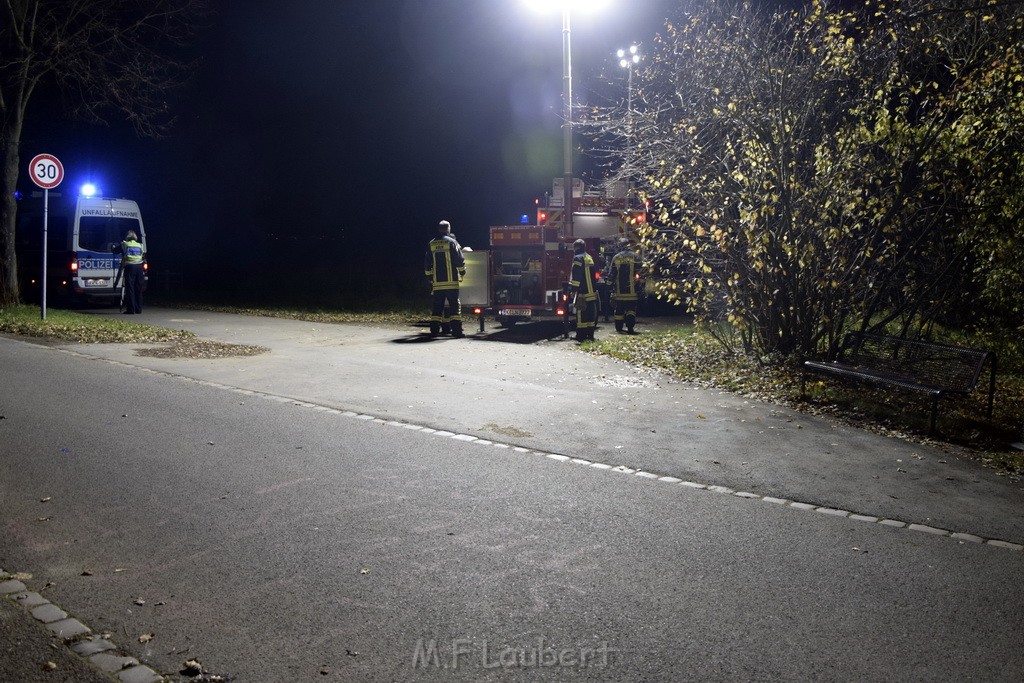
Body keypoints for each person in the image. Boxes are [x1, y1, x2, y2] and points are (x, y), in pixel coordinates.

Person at [424, 220, 465, 338]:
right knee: (454, 306)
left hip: (437, 283)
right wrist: (462, 271)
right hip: (451, 282)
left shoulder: (431, 243)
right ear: (449, 229)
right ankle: (457, 331)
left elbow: (427, 263)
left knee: (437, 307)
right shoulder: (452, 242)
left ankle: (434, 330)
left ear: (439, 229)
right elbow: (459, 260)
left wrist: (430, 277)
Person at [569, 238, 599, 342]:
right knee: (591, 314)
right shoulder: (589, 257)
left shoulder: (577, 258)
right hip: (591, 292)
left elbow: (577, 276)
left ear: (576, 247)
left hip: (582, 291)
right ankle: (590, 335)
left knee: (581, 314)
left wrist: (574, 290)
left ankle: (580, 336)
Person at [609, 238, 641, 333]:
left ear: (620, 246)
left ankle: (619, 328)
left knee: (619, 311)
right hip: (632, 292)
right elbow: (641, 273)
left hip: (619, 292)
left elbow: (612, 274)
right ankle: (630, 327)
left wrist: (608, 287)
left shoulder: (616, 257)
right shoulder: (636, 257)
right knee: (631, 310)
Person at [120, 230, 145, 314]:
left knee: (130, 288)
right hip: (139, 267)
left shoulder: (126, 244)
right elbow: (143, 255)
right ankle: (139, 309)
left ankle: (131, 309)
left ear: (127, 237)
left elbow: (116, 250)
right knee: (138, 288)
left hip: (130, 267)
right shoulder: (140, 245)